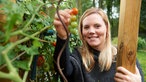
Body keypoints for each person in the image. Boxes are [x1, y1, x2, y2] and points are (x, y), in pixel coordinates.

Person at [53, 7, 144, 82]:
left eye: (97, 26)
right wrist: (62, 37)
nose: (91, 31)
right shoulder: (78, 56)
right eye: (86, 27)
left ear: (107, 28)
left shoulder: (124, 56)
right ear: (82, 32)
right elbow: (64, 69)